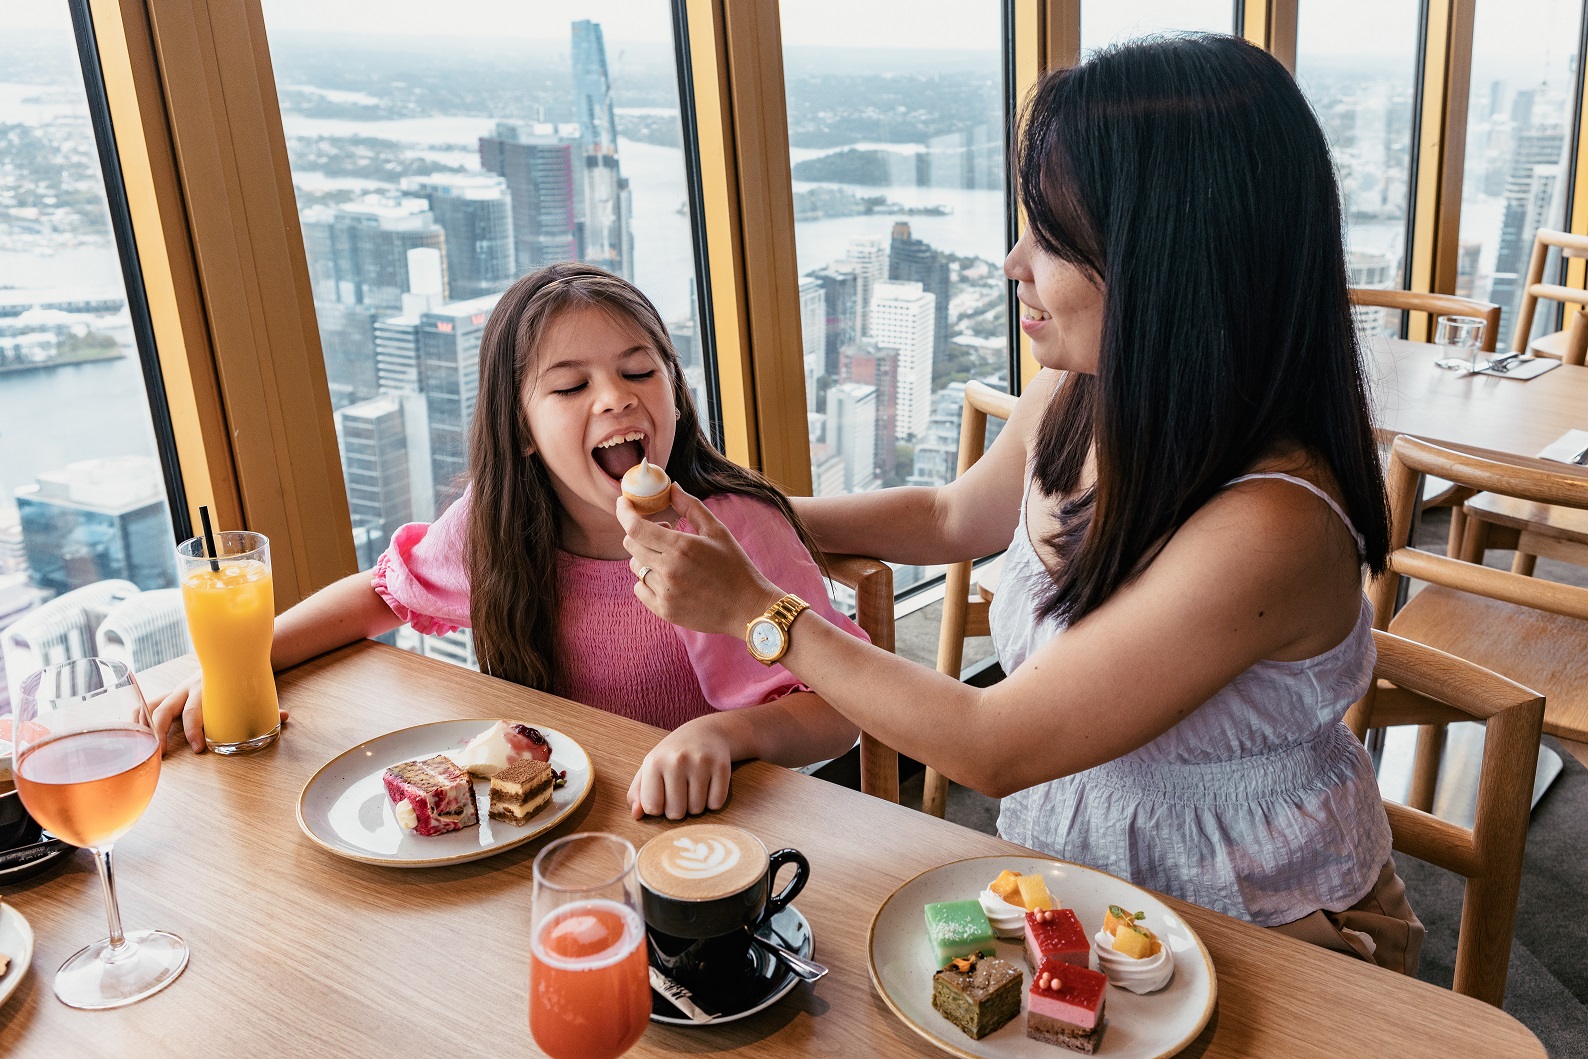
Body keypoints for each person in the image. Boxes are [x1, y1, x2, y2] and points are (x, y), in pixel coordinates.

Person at [617, 35, 1423, 972]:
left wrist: (758, 611)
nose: (1013, 262)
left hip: (1271, 931)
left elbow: (991, 744)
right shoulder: (1084, 392)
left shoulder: (1274, 526)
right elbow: (950, 517)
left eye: (1053, 237)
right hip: (1093, 893)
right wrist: (748, 513)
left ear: (1171, 259)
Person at [153, 263, 867, 821]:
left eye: (639, 371)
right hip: (558, 830)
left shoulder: (734, 530)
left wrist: (727, 736)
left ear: (674, 392)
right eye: (570, 386)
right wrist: (241, 665)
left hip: (719, 840)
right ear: (522, 429)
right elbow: (379, 594)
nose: (615, 396)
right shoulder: (497, 526)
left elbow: (839, 711)